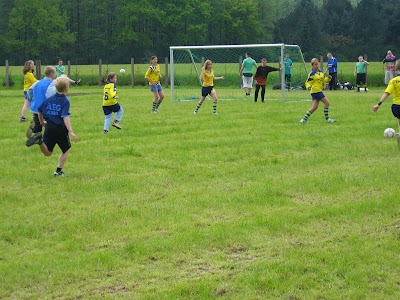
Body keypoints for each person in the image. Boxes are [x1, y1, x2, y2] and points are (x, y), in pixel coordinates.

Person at [26, 76, 78, 176]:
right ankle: (58, 171)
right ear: (67, 88)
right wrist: (71, 132)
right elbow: (65, 117)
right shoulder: (65, 101)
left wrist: (41, 122)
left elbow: (39, 110)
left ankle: (40, 141)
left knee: (48, 152)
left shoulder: (49, 99)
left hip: (49, 128)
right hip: (60, 129)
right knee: (66, 150)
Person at [25, 66, 57, 146]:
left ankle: (34, 128)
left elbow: (29, 91)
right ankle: (48, 141)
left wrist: (31, 100)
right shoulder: (51, 84)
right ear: (52, 74)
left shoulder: (37, 82)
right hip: (45, 109)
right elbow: (50, 95)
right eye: (55, 73)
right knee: (49, 124)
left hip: (35, 108)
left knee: (38, 127)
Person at [299, 58, 336, 124]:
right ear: (312, 65)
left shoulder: (321, 72)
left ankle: (304, 119)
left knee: (314, 107)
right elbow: (308, 82)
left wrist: (328, 78)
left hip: (317, 91)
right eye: (315, 64)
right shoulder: (312, 74)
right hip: (316, 91)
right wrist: (308, 87)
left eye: (317, 64)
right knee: (327, 103)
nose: (316, 65)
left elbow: (323, 81)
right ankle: (327, 119)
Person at [372, 60, 400, 132]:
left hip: (397, 106)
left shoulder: (394, 81)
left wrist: (378, 104)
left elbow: (387, 93)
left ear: (396, 69)